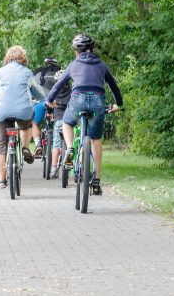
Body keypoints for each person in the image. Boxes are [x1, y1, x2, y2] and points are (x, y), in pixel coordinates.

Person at [46, 34, 122, 194]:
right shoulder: (101, 64)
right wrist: (119, 104)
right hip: (98, 102)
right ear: (92, 49)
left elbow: (58, 85)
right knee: (95, 140)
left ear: (76, 52)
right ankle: (97, 178)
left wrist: (49, 100)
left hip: (78, 100)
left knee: (67, 123)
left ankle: (70, 150)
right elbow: (113, 86)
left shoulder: (73, 65)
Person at [0, 46, 46, 189]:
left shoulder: (0, 72)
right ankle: (25, 147)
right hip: (23, 111)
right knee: (27, 124)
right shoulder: (27, 73)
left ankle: (2, 180)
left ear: (7, 58)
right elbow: (40, 94)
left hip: (2, 112)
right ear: (23, 59)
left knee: (2, 145)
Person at [31, 57, 61, 156]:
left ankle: (38, 144)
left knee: (34, 123)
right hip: (56, 104)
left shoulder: (39, 72)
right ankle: (61, 147)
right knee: (61, 124)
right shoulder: (61, 73)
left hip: (41, 102)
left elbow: (32, 87)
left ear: (45, 64)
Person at [49, 68, 72, 178]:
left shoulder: (55, 92)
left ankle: (54, 168)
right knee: (73, 141)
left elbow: (48, 102)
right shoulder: (72, 92)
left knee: (56, 145)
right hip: (70, 120)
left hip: (59, 120)